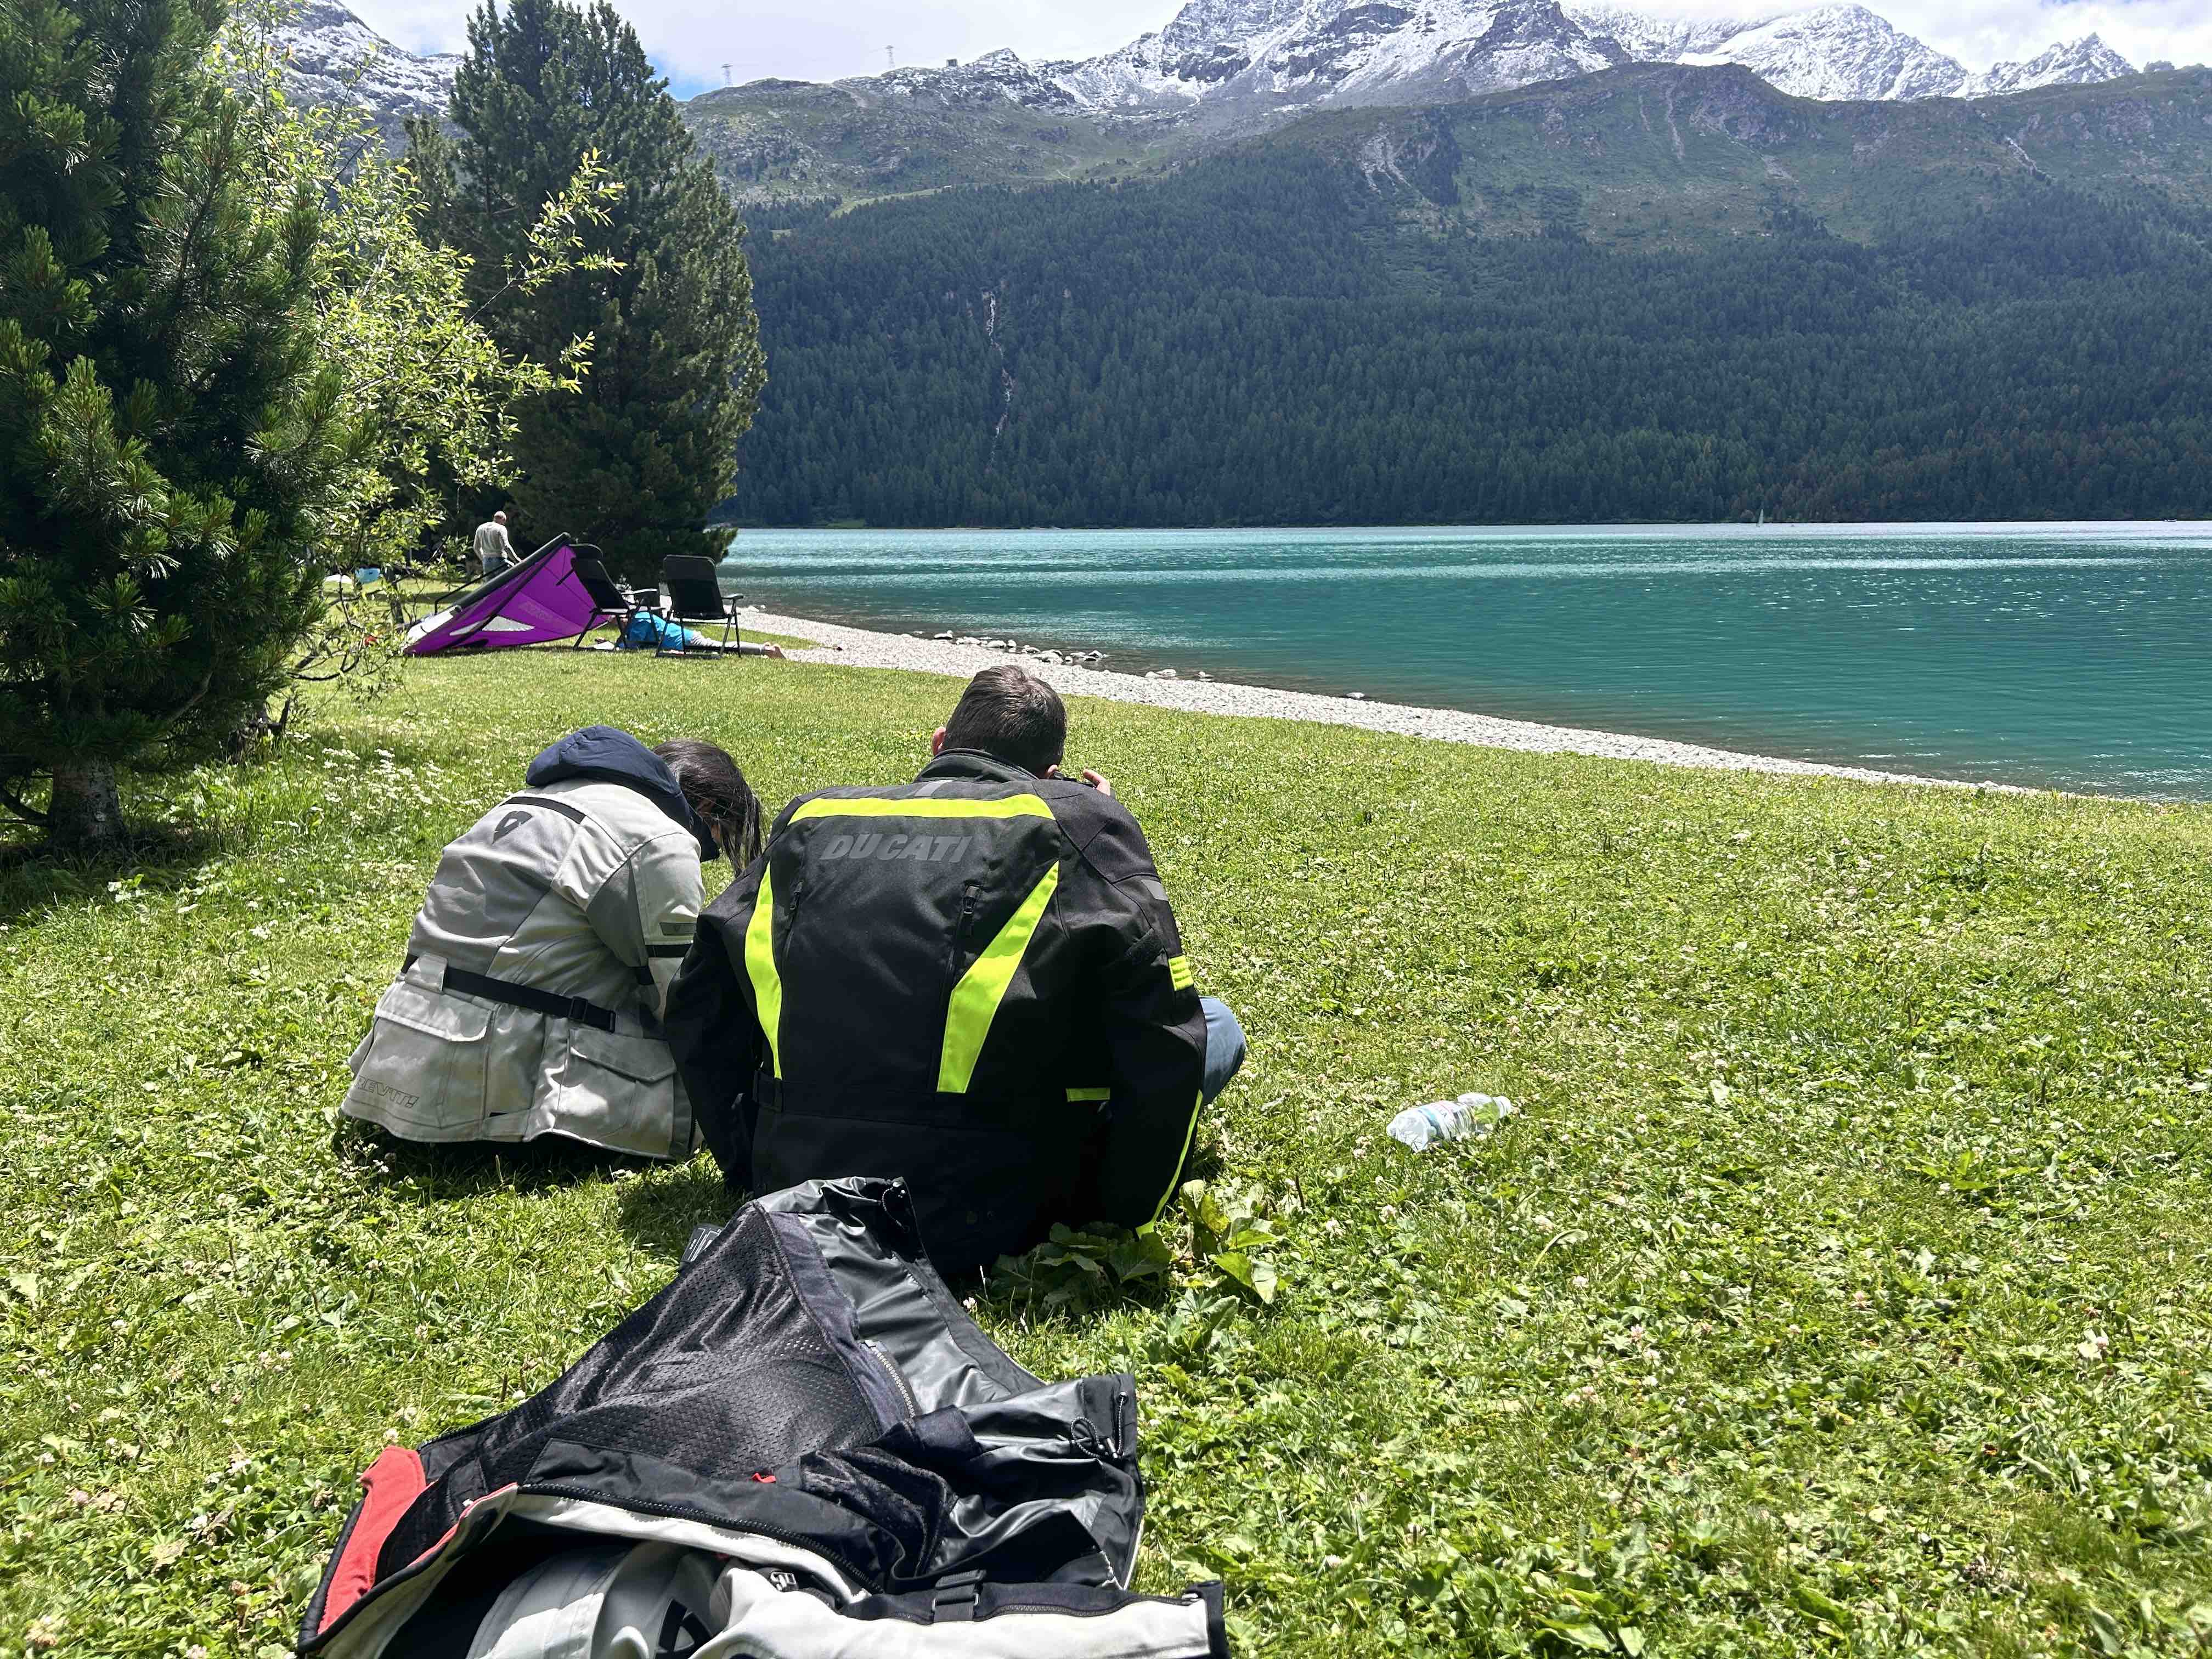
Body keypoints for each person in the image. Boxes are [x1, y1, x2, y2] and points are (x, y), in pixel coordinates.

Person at [664, 665, 1245, 1272]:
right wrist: (1122, 1216)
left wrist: (750, 1163)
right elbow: (1163, 1034)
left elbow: (698, 1002)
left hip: (800, 1176)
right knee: (1217, 1024)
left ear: (940, 744)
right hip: (994, 1202)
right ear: (1049, 776)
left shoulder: (813, 819)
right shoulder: (1079, 821)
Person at [342, 727, 764, 1161]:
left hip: (402, 1055)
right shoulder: (658, 839)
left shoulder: (524, 803)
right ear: (708, 808)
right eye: (718, 838)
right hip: (488, 1089)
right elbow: (682, 1005)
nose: (707, 850)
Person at [473, 510, 516, 575]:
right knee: (507, 582)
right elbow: (506, 546)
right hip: (499, 560)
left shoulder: (481, 528)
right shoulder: (501, 528)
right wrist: (516, 559)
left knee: (491, 585)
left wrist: (484, 559)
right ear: (503, 520)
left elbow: (476, 547)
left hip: (486, 562)